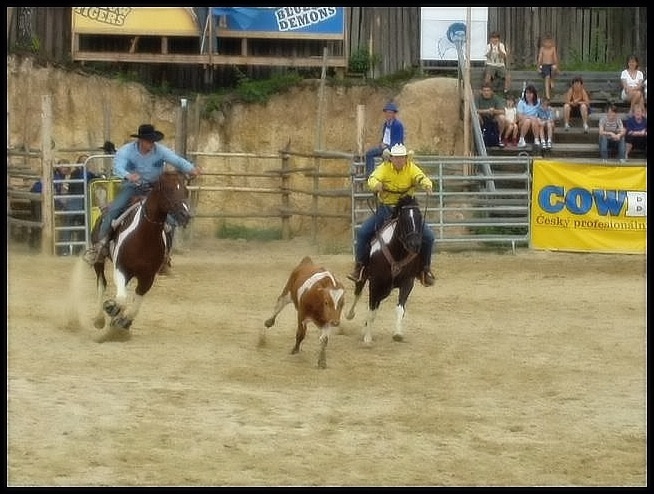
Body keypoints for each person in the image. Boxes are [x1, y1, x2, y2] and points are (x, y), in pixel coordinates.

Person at [83, 124, 201, 265]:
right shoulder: (126, 151)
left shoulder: (161, 151)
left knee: (170, 217)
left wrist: (191, 168)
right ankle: (100, 247)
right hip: (131, 187)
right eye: (148, 140)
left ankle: (165, 254)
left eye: (152, 141)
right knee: (113, 211)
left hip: (154, 188)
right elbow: (117, 166)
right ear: (140, 140)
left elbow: (177, 160)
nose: (151, 144)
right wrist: (128, 175)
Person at [348, 143, 436, 287]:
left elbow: (421, 177)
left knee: (429, 237)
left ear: (406, 158)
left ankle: (424, 270)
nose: (400, 160)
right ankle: (360, 268)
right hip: (387, 209)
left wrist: (427, 184)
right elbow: (372, 178)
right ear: (391, 158)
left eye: (402, 157)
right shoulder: (384, 168)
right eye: (396, 157)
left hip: (406, 210)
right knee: (363, 233)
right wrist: (376, 185)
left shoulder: (411, 167)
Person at [364, 102, 404, 176]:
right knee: (369, 154)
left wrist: (387, 147)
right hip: (384, 146)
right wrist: (382, 143)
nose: (388, 114)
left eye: (390, 113)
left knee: (386, 157)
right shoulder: (386, 124)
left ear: (394, 114)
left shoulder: (398, 125)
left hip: (394, 148)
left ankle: (388, 175)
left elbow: (398, 141)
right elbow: (385, 137)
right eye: (386, 112)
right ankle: (370, 175)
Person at [475, 82, 506, 147]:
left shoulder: (496, 98)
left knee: (502, 118)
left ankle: (499, 138)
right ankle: (479, 138)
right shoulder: (478, 98)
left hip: (493, 119)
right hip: (482, 118)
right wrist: (487, 111)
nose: (486, 92)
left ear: (491, 91)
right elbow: (475, 110)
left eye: (488, 90)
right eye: (484, 91)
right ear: (481, 91)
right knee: (476, 116)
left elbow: (503, 111)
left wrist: (494, 111)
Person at [516, 84, 542, 148]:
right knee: (528, 121)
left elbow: (542, 112)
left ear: (534, 94)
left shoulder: (538, 102)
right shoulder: (521, 102)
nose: (528, 95)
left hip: (534, 123)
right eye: (527, 93)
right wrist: (530, 117)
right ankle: (521, 140)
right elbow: (520, 116)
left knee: (534, 121)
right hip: (523, 122)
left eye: (530, 93)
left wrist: (535, 118)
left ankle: (536, 140)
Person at [536, 33, 559, 100]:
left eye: (549, 42)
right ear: (543, 42)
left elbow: (555, 58)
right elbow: (540, 59)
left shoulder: (553, 48)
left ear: (552, 42)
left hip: (551, 65)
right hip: (544, 65)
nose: (548, 44)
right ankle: (547, 94)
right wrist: (538, 67)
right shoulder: (542, 49)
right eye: (546, 42)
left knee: (554, 68)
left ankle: (552, 80)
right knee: (547, 77)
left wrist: (557, 66)